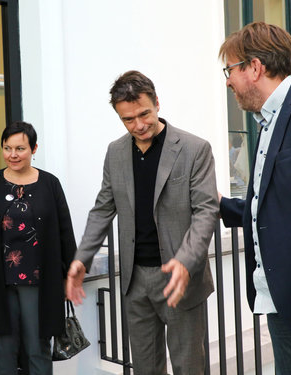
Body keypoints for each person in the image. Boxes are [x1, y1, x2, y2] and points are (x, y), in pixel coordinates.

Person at [67, 70, 218, 375]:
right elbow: (102, 209)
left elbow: (206, 211)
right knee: (145, 369)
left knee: (188, 368)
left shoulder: (194, 148)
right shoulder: (116, 152)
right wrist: (82, 258)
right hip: (135, 282)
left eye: (144, 114)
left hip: (179, 278)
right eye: (128, 119)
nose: (138, 125)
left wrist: (186, 262)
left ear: (157, 103)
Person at [218, 21, 291, 374]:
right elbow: (277, 207)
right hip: (277, 298)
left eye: (230, 70)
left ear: (255, 67)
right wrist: (220, 204)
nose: (227, 81)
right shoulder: (267, 121)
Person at [0, 121, 77, 375]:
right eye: (7, 148)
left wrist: (71, 276)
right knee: (3, 348)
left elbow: (64, 233)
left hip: (40, 282)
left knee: (37, 346)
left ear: (34, 148)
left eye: (20, 148)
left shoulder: (50, 184)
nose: (12, 155)